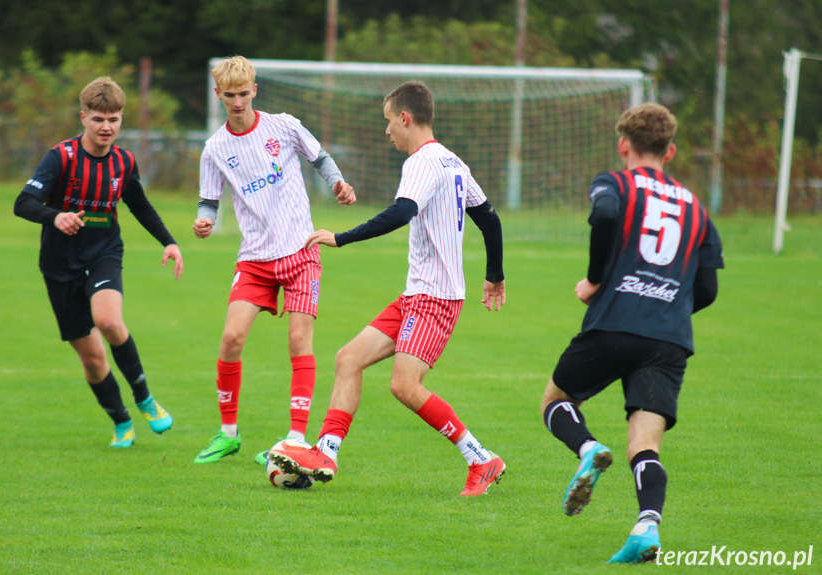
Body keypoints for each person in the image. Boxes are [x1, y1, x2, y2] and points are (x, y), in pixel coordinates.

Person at [270, 81, 507, 497]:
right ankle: (326, 452)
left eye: (388, 122)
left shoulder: (421, 162)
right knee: (348, 359)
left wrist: (340, 237)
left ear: (405, 118)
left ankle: (481, 459)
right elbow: (489, 218)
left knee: (404, 385)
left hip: (435, 298)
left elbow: (402, 212)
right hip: (418, 294)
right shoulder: (453, 162)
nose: (387, 132)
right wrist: (495, 274)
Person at [539, 103, 724, 562]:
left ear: (624, 145)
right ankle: (646, 528)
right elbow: (707, 287)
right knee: (645, 443)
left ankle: (587, 447)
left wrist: (596, 279)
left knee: (556, 401)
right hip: (669, 337)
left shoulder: (614, 182)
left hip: (615, 322)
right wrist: (670, 307)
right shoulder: (696, 207)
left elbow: (604, 214)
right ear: (672, 150)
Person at [192, 56, 356, 465]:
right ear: (219, 95)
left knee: (299, 341)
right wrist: (204, 221)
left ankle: (295, 438)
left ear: (255, 90)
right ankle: (228, 432)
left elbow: (319, 157)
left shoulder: (283, 125)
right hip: (255, 259)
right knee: (231, 338)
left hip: (302, 252)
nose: (237, 102)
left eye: (243, 94)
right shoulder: (215, 148)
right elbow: (208, 201)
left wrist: (337, 182)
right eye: (229, 95)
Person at [14, 77, 183, 448]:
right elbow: (23, 202)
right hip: (60, 265)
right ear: (84, 117)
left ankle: (145, 399)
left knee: (109, 320)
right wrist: (55, 216)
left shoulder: (124, 161)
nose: (106, 127)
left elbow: (139, 205)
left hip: (105, 253)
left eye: (114, 119)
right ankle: (121, 421)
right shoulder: (62, 157)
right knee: (91, 359)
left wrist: (169, 242)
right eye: (98, 119)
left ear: (121, 120)